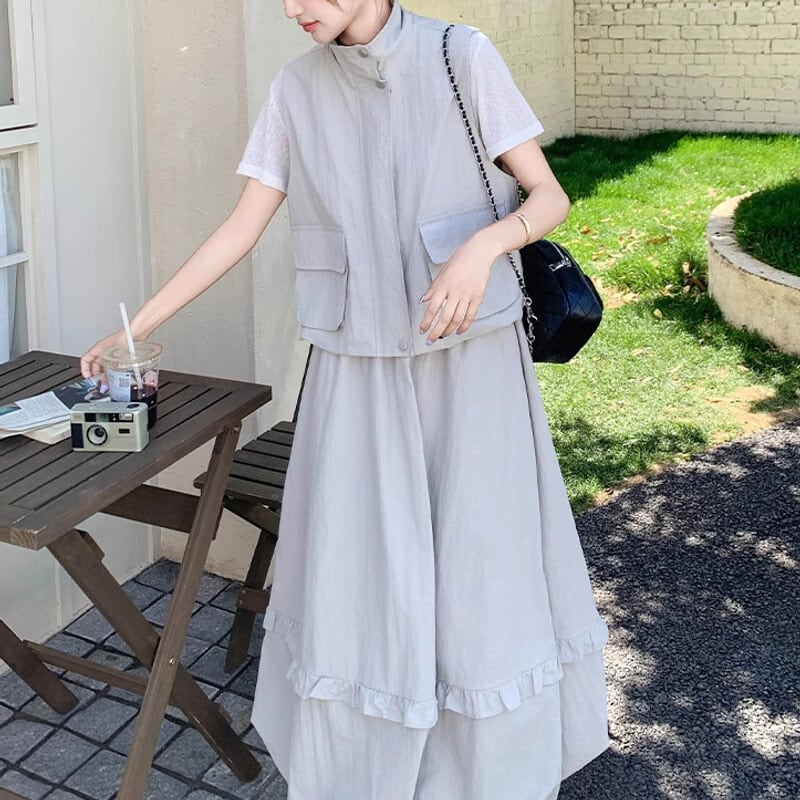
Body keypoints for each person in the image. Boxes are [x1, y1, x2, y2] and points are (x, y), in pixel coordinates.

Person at [81, 1, 611, 797]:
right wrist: (137, 327)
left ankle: (485, 771)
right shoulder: (295, 88)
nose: (294, 8)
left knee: (479, 559)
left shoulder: (460, 54)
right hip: (355, 369)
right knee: (363, 569)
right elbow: (241, 227)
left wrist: (484, 246)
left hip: (469, 363)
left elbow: (547, 195)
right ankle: (372, 771)